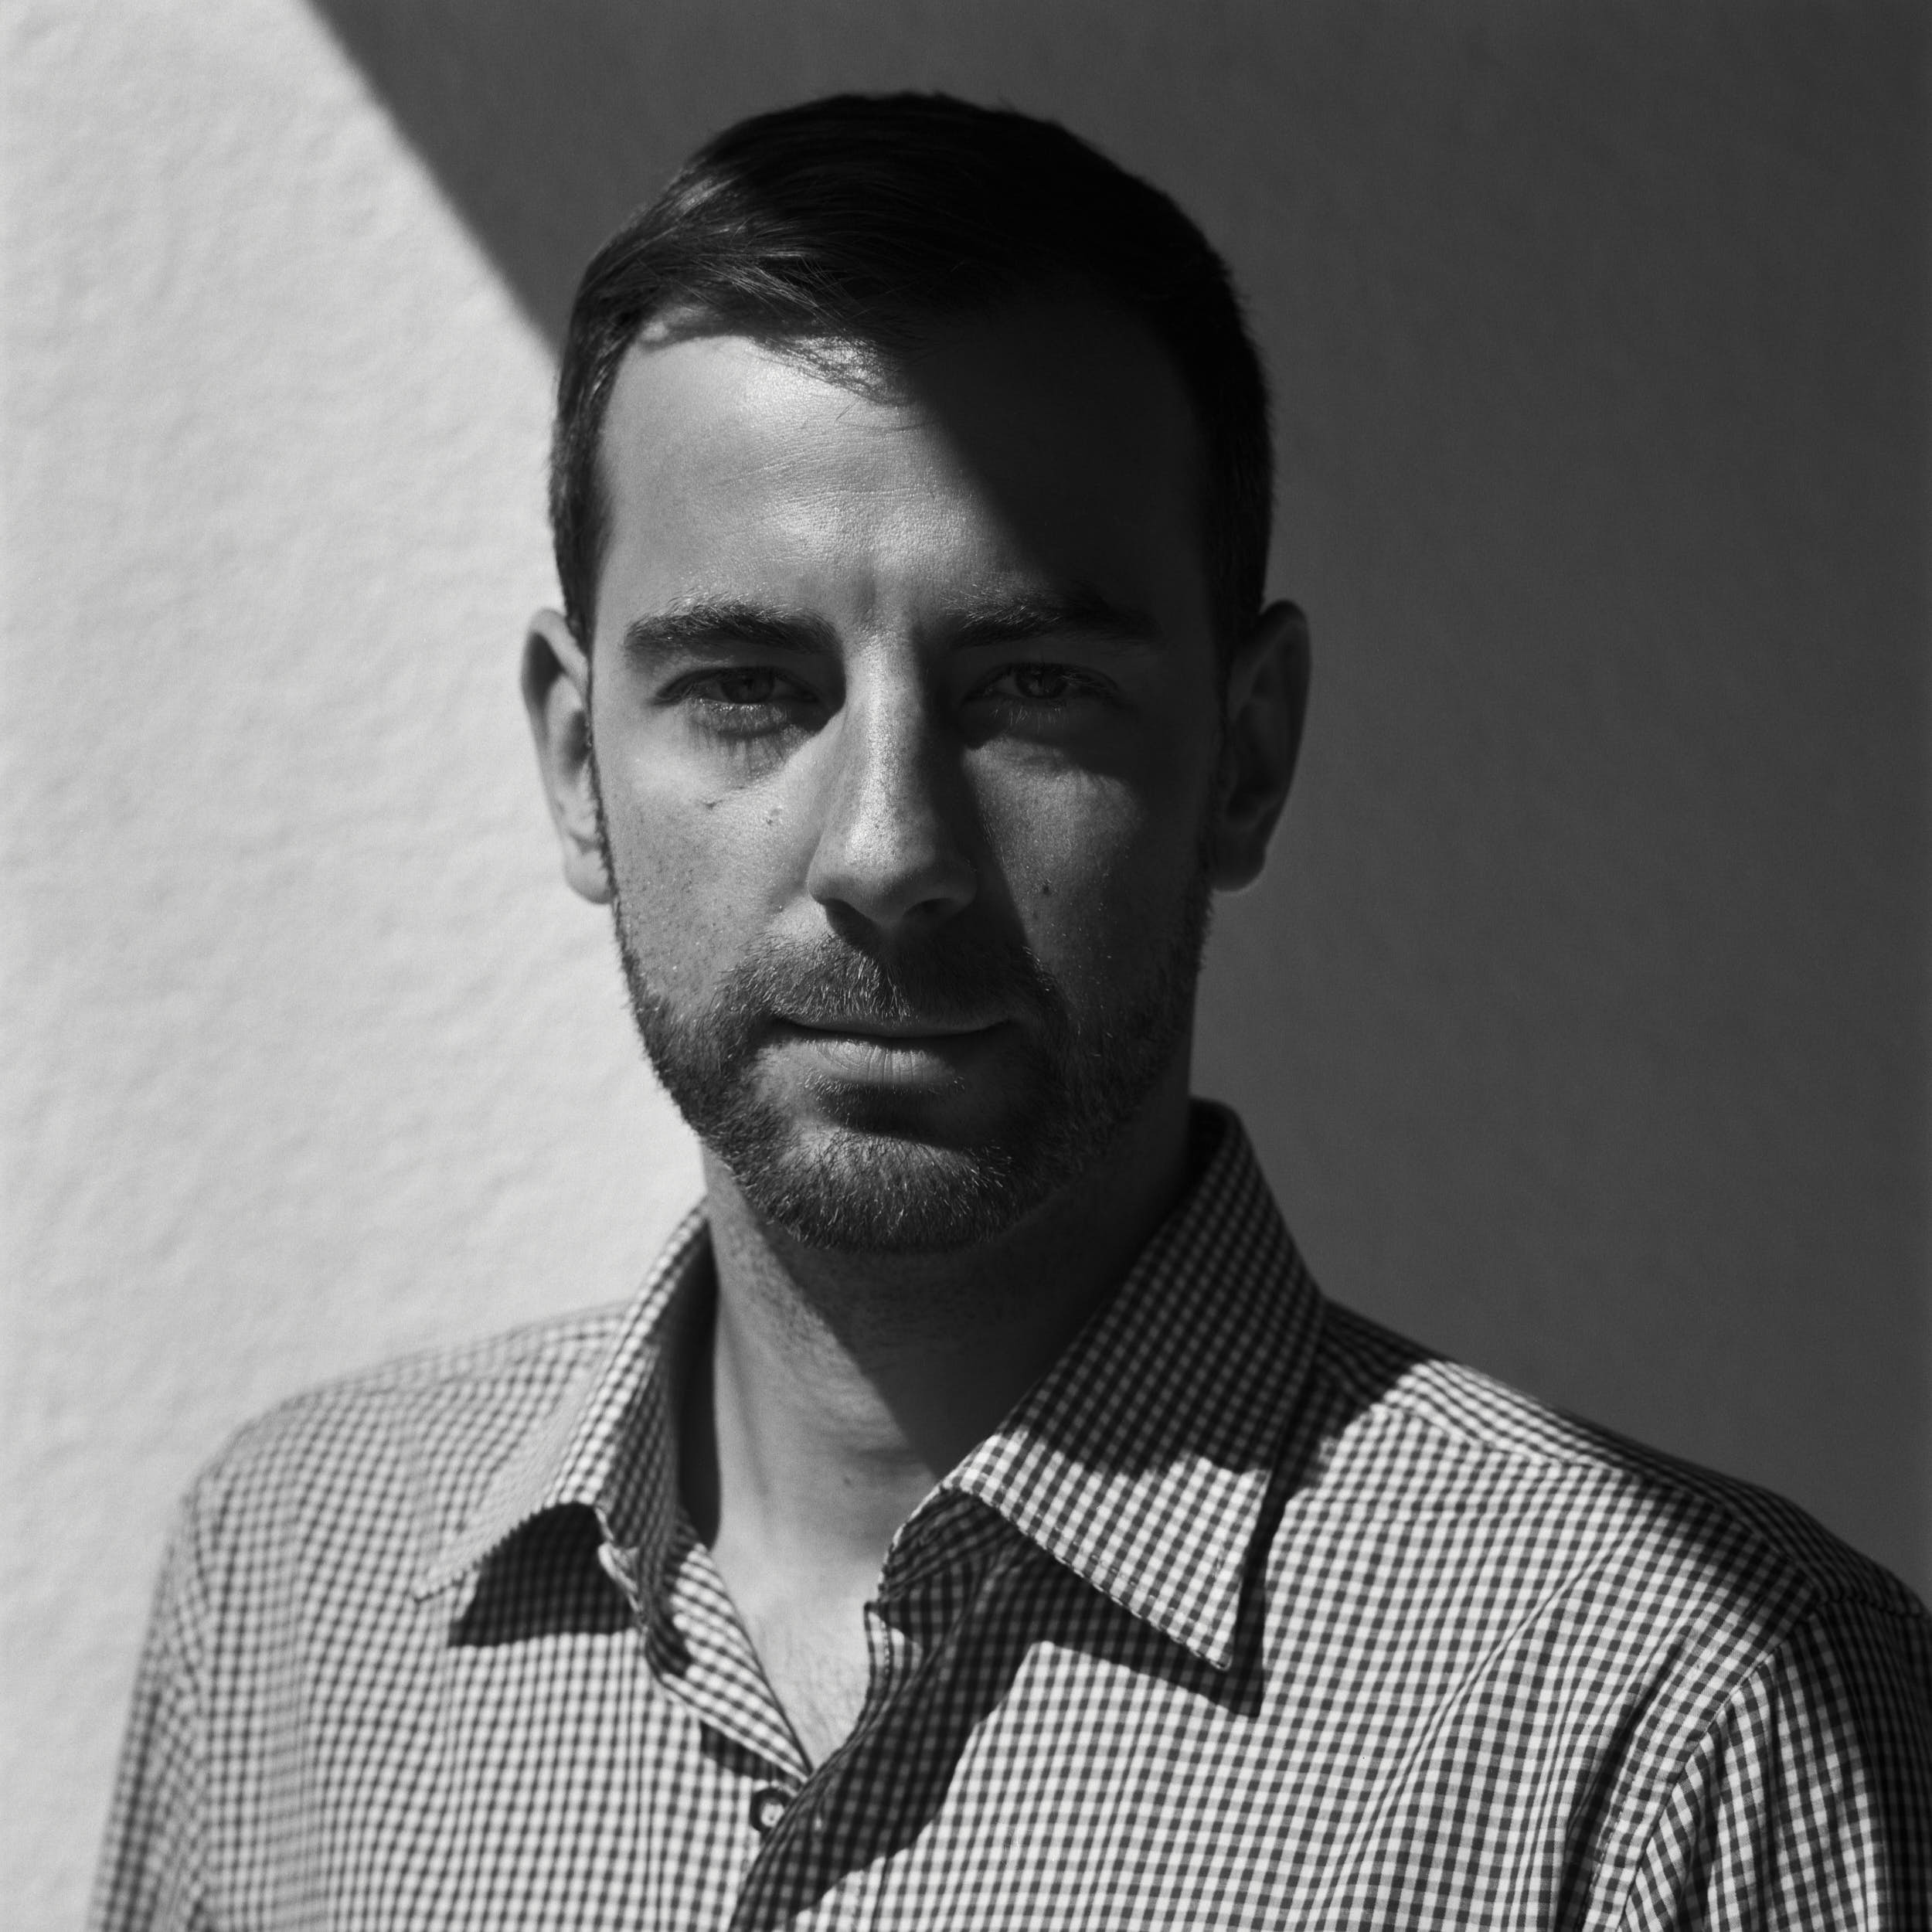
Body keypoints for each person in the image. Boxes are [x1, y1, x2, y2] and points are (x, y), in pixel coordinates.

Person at [93, 92, 1930, 1930]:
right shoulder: (292, 1591)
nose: (888, 850)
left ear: (1244, 754)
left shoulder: (1688, 1712)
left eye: (1031, 684)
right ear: (580, 766)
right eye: (745, 687)